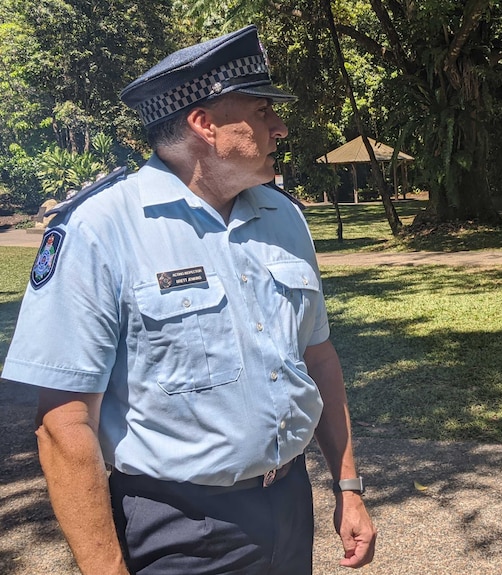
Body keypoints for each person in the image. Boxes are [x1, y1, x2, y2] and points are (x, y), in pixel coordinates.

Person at [1, 25, 376, 575]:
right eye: (261, 109)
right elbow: (63, 424)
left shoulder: (284, 217)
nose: (281, 126)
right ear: (205, 124)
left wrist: (348, 485)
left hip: (289, 502)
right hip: (179, 528)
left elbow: (317, 357)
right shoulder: (101, 230)